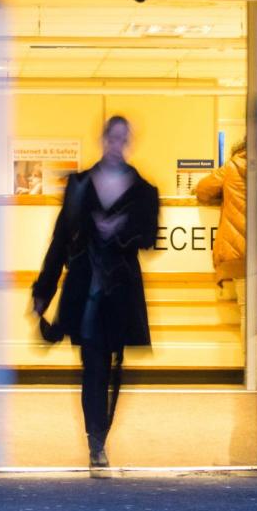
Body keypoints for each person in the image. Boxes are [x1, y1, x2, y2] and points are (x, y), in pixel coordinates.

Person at [31, 116, 160, 470]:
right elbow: (60, 239)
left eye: (123, 139)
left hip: (120, 290)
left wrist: (120, 229)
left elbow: (150, 236)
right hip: (86, 288)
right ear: (102, 140)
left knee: (114, 364)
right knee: (94, 366)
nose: (116, 145)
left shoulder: (144, 191)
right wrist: (44, 288)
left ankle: (100, 435)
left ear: (129, 143)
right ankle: (96, 441)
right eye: (111, 138)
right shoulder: (80, 184)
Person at [194, 139, 248, 333]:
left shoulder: (232, 167)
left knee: (248, 314)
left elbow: (202, 190)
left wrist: (224, 194)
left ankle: (251, 362)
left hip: (241, 254)